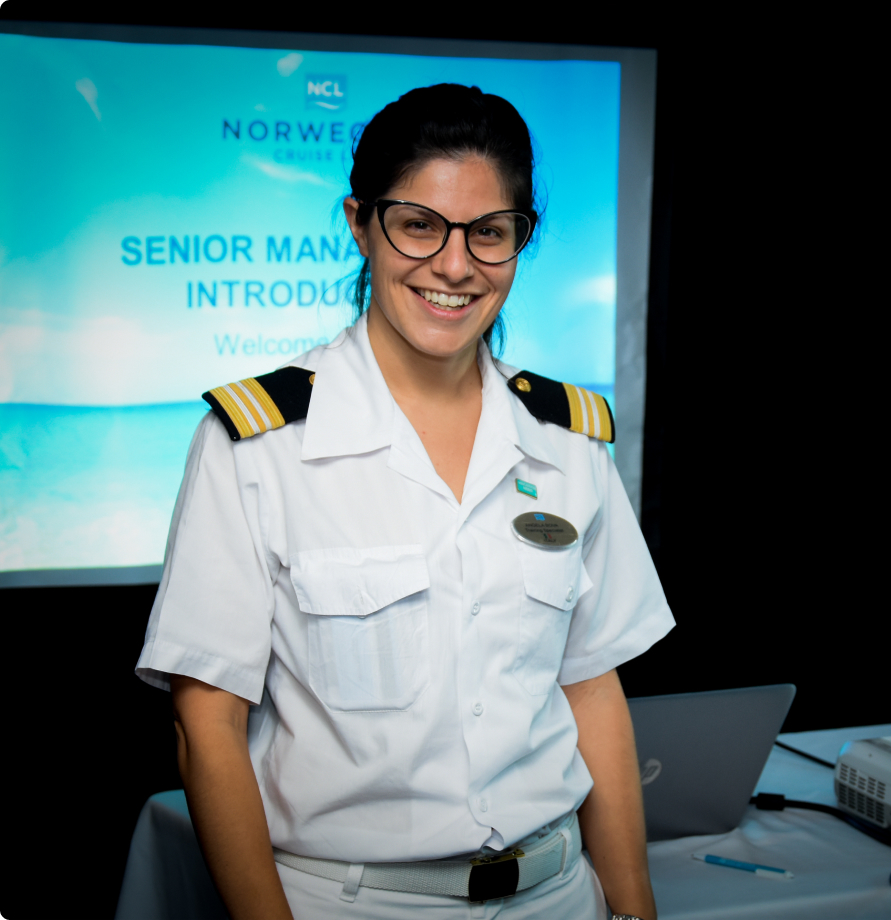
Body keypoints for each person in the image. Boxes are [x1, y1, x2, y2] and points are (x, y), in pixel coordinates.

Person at [136, 83, 673, 920]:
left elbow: (592, 687)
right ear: (360, 223)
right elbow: (206, 726)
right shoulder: (258, 445)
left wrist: (634, 910)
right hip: (351, 902)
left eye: (489, 232)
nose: (455, 266)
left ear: (520, 241)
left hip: (560, 893)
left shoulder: (569, 441)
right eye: (419, 224)